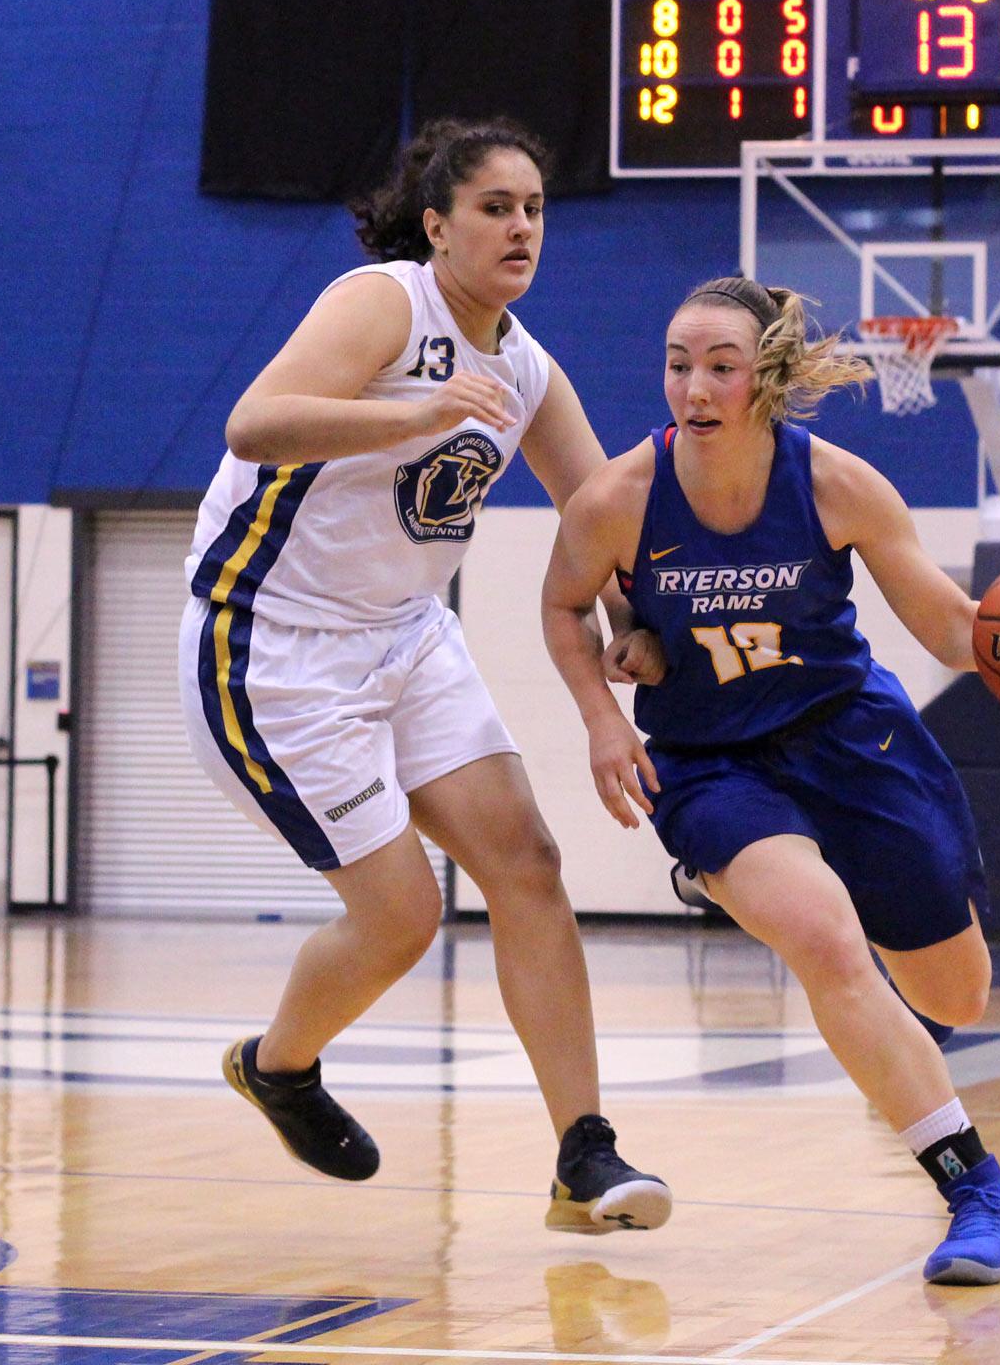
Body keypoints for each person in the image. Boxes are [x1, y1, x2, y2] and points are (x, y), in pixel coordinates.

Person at [540, 276, 1000, 1286]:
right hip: (713, 761)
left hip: (851, 740)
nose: (694, 387)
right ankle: (981, 1196)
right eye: (678, 365)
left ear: (767, 377)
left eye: (721, 366)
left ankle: (839, 932)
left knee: (956, 993)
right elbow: (563, 604)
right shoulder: (620, 498)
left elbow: (948, 627)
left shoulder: (837, 485)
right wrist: (603, 719)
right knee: (825, 943)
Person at [184, 118, 669, 1233]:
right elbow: (253, 425)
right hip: (274, 642)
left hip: (406, 635)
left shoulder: (525, 365)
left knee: (528, 863)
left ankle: (583, 1154)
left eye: (534, 209)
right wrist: (411, 414)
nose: (521, 227)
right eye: (496, 207)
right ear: (438, 225)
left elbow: (596, 511)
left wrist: (631, 624)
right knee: (402, 917)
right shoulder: (386, 303)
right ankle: (278, 1065)